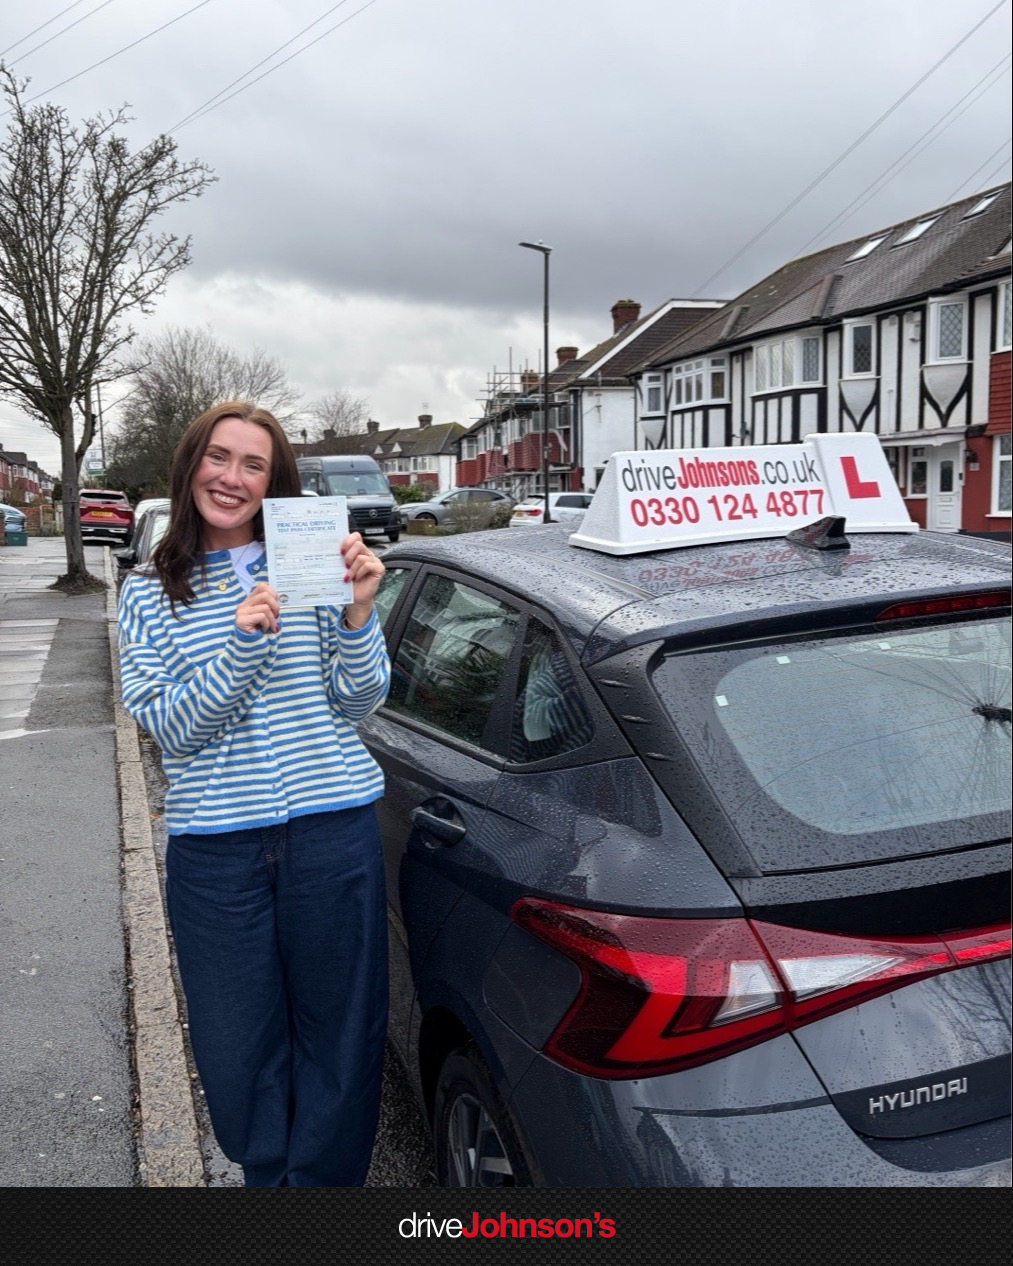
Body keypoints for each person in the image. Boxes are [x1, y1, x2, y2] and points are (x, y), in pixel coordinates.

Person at [117, 400, 390, 1187]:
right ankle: (269, 1180)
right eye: (219, 457)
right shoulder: (150, 591)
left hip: (330, 833)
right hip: (217, 851)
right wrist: (240, 642)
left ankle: (325, 1190)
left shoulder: (305, 563)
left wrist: (359, 612)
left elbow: (357, 700)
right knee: (236, 1045)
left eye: (253, 464)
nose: (231, 478)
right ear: (190, 464)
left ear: (275, 482)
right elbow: (173, 727)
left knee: (339, 1032)